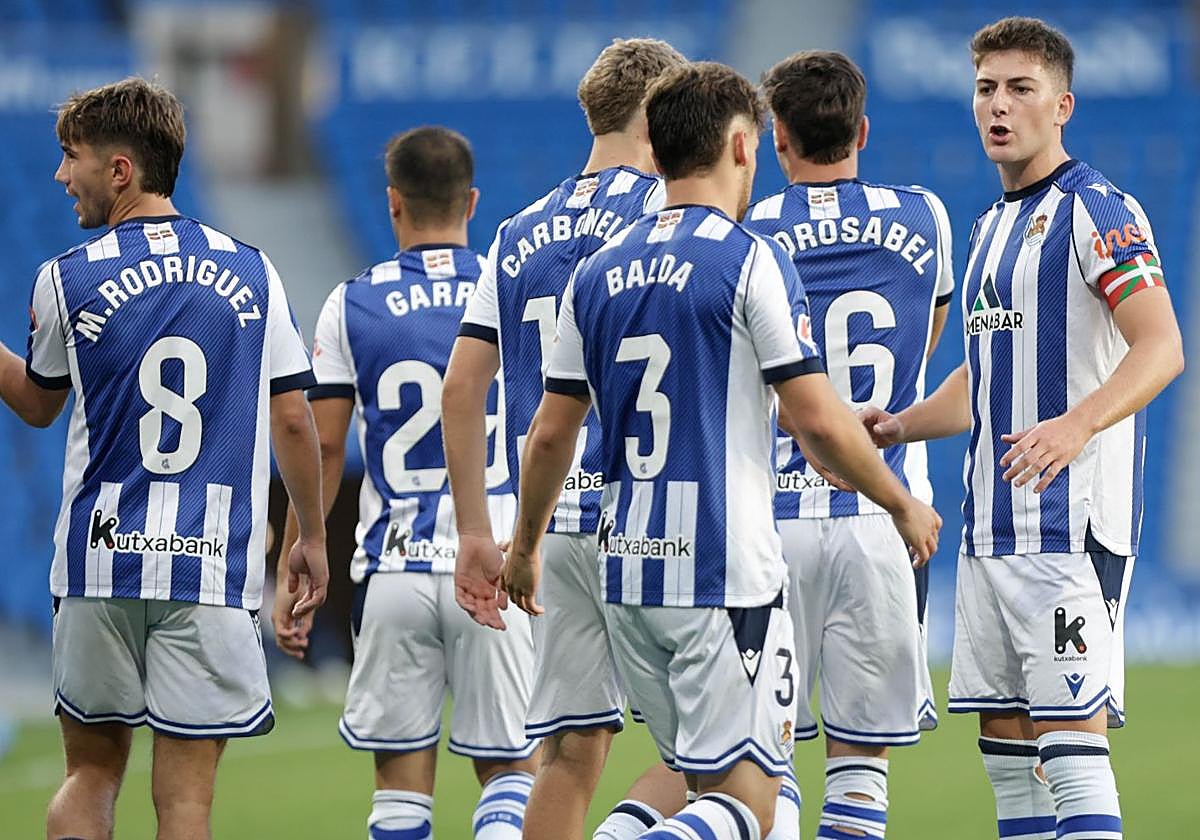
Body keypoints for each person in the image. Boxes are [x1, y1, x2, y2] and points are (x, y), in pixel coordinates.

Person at [502, 61, 941, 840]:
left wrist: (526, 546)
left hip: (628, 568)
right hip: (722, 570)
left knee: (698, 780)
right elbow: (816, 420)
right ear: (742, 146)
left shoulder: (597, 272)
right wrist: (900, 500)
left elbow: (548, 434)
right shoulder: (746, 258)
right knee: (750, 805)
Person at [858, 17, 1183, 840]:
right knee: (1007, 756)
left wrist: (1077, 424)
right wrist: (898, 427)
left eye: (1020, 89)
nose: (998, 106)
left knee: (1071, 754)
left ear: (1061, 105)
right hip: (991, 538)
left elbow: (1163, 344)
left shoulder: (1098, 210)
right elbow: (983, 380)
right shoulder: (988, 228)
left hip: (1070, 531)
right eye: (986, 89)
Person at [3, 77, 328, 840]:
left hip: (97, 565)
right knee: (185, 805)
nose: (60, 176)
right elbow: (291, 416)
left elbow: (37, 403)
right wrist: (309, 535)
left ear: (120, 170)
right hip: (210, 566)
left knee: (88, 773)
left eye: (71, 157)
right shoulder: (253, 270)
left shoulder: (66, 277)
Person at [443, 38, 689, 840]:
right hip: (653, 513)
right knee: (723, 751)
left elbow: (461, 388)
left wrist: (479, 533)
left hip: (548, 525)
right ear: (659, 117)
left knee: (567, 755)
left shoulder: (516, 232)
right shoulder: (675, 209)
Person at [272, 126, 539, 840]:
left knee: (398, 791)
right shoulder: (507, 291)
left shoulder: (349, 303)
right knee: (512, 773)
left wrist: (301, 548)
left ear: (392, 202)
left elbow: (324, 440)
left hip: (392, 567)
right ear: (472, 201)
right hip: (492, 564)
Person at [743, 50, 954, 839]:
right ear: (862, 129)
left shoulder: (751, 232)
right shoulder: (923, 215)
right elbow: (923, 344)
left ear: (778, 141)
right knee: (861, 766)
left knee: (761, 757)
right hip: (885, 519)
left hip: (772, 519)